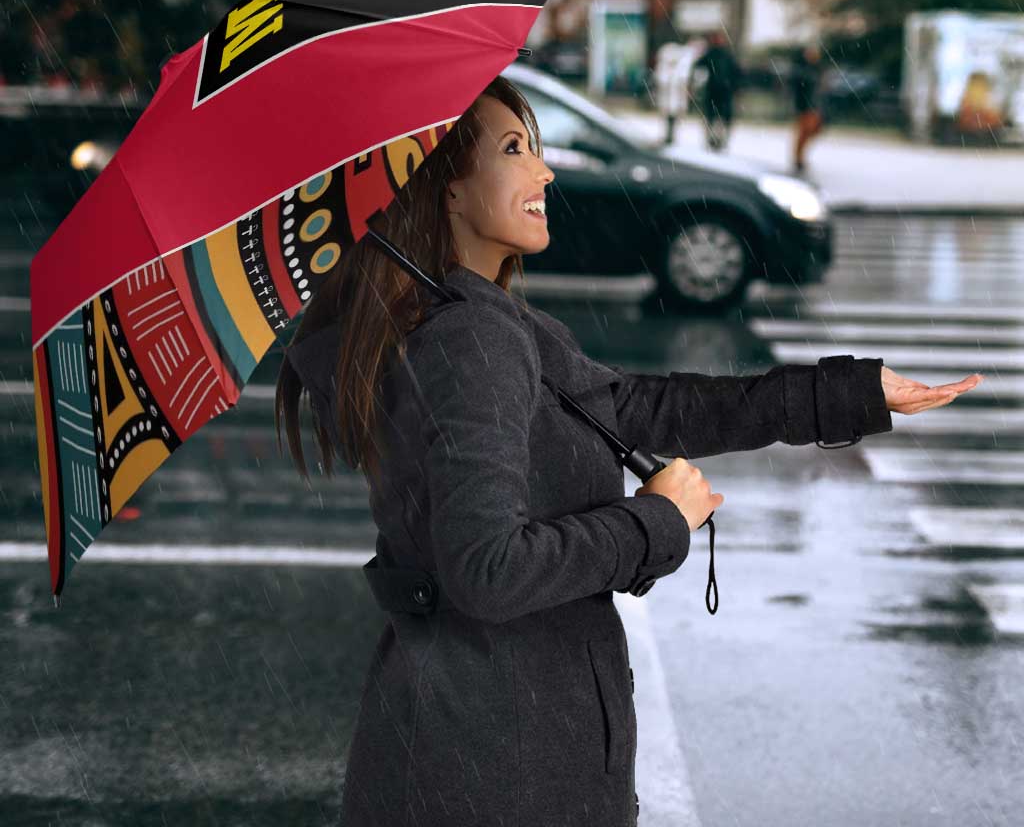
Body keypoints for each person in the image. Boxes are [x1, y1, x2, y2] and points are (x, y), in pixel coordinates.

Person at [276, 74, 977, 827]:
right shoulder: (469, 340)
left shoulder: (474, 320)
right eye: (514, 149)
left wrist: (850, 394)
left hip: (478, 746)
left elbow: (640, 408)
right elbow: (487, 570)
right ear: (446, 188)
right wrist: (655, 522)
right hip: (498, 765)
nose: (544, 171)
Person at [692, 29, 742, 152]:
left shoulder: (725, 55)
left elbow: (736, 73)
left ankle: (719, 140)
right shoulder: (712, 54)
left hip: (723, 91)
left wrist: (735, 87)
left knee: (720, 118)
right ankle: (713, 140)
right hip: (715, 91)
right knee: (713, 117)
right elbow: (698, 67)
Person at [790, 42, 826, 173]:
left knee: (812, 131)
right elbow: (799, 89)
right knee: (804, 132)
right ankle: (798, 158)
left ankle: (799, 157)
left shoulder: (817, 69)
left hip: (814, 106)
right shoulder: (802, 70)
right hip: (805, 106)